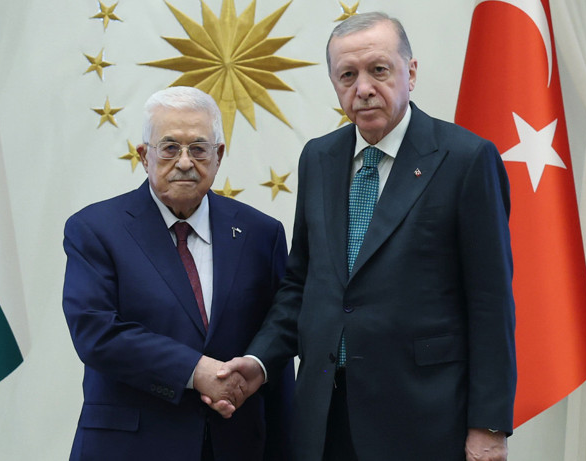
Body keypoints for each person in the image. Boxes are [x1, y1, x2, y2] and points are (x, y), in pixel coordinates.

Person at [213, 12, 517, 461]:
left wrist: (488, 425)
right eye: (347, 76)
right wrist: (260, 361)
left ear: (410, 72)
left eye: (379, 70)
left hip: (423, 420)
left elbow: (490, 302)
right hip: (323, 418)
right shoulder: (318, 158)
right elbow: (302, 283)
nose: (364, 88)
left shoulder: (467, 159)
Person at [62, 86, 292, 461]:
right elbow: (95, 332)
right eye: (169, 148)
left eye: (198, 149)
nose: (184, 162)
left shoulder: (261, 234)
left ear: (218, 156)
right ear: (144, 156)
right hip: (129, 448)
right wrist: (195, 370)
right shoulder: (95, 229)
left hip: (237, 445)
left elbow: (277, 346)